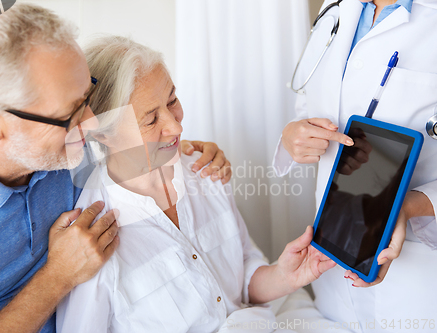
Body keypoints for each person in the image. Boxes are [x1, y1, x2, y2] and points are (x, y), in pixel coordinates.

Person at [0, 4, 232, 333]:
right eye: (70, 114)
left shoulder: (66, 150)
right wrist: (57, 278)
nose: (91, 124)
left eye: (87, 97)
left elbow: (134, 138)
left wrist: (190, 151)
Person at [55, 36, 336, 333]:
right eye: (151, 120)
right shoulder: (91, 239)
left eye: (172, 101)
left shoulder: (205, 171)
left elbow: (242, 276)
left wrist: (284, 275)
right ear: (102, 134)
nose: (176, 126)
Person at [274, 0, 437, 330]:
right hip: (331, 259)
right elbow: (306, 101)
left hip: (419, 276)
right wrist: (294, 135)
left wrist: (410, 205)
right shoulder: (335, 8)